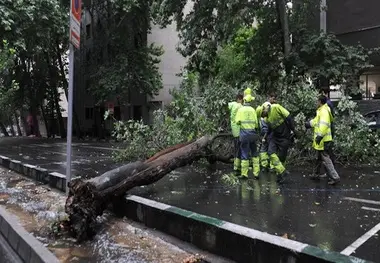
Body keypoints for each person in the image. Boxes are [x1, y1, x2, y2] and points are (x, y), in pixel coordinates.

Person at [305, 95, 340, 185]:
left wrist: (319, 136)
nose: (316, 102)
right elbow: (317, 121)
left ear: (320, 101)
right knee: (319, 157)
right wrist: (309, 124)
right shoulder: (322, 110)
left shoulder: (324, 111)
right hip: (323, 139)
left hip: (323, 139)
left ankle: (335, 177)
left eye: (317, 101)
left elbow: (324, 125)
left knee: (325, 157)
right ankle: (316, 173)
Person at [261, 102, 296, 183]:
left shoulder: (276, 107)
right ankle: (282, 171)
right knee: (270, 152)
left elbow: (288, 117)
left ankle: (280, 175)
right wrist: (265, 137)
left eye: (263, 114)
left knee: (282, 157)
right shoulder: (266, 119)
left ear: (266, 109)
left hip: (285, 135)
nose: (263, 116)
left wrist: (293, 130)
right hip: (275, 136)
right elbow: (269, 129)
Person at [235, 94, 260, 179]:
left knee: (244, 153)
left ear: (244, 101)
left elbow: (237, 121)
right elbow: (256, 124)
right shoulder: (253, 110)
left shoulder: (241, 110)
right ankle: (256, 173)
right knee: (254, 153)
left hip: (244, 134)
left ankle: (244, 174)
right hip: (253, 133)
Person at [228, 94, 244, 174]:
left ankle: (236, 165)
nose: (243, 102)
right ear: (239, 99)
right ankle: (237, 167)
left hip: (234, 130)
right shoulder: (240, 106)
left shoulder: (232, 104)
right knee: (239, 149)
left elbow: (226, 105)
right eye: (242, 100)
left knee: (236, 148)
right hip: (239, 130)